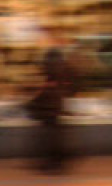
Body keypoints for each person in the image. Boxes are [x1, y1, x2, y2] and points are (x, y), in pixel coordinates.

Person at [29, 28, 78, 174]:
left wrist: (45, 87)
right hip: (54, 100)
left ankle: (54, 162)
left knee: (51, 133)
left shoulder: (53, 55)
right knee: (52, 132)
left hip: (51, 101)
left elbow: (51, 76)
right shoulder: (57, 55)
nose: (39, 41)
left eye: (41, 38)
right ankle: (55, 161)